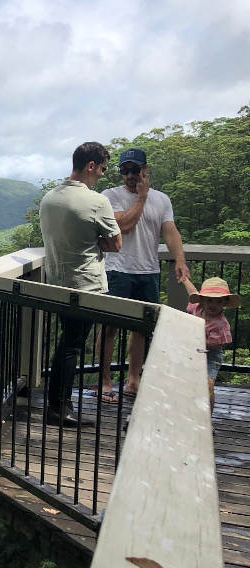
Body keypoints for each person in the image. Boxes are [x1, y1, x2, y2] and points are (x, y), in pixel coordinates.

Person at [39, 142, 122, 427]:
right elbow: (116, 243)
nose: (101, 175)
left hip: (58, 281)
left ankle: (58, 404)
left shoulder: (49, 198)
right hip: (86, 284)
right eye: (101, 169)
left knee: (67, 342)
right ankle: (59, 407)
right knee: (72, 345)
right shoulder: (96, 201)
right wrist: (95, 242)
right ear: (90, 166)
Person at [96, 148, 189, 401]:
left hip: (149, 271)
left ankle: (134, 378)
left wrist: (180, 260)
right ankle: (104, 379)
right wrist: (141, 198)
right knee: (109, 326)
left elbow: (170, 231)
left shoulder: (162, 199)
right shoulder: (109, 196)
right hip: (117, 270)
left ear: (145, 170)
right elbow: (123, 226)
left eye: (134, 169)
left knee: (142, 328)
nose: (130, 175)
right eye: (124, 170)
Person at [181, 276, 240, 413]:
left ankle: (207, 419)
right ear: (202, 300)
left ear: (224, 303)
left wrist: (192, 339)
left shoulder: (221, 323)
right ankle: (189, 412)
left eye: (218, 301)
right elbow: (192, 291)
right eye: (209, 300)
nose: (213, 304)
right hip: (194, 351)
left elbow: (214, 345)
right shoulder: (197, 307)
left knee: (208, 385)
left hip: (211, 356)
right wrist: (185, 279)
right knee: (188, 383)